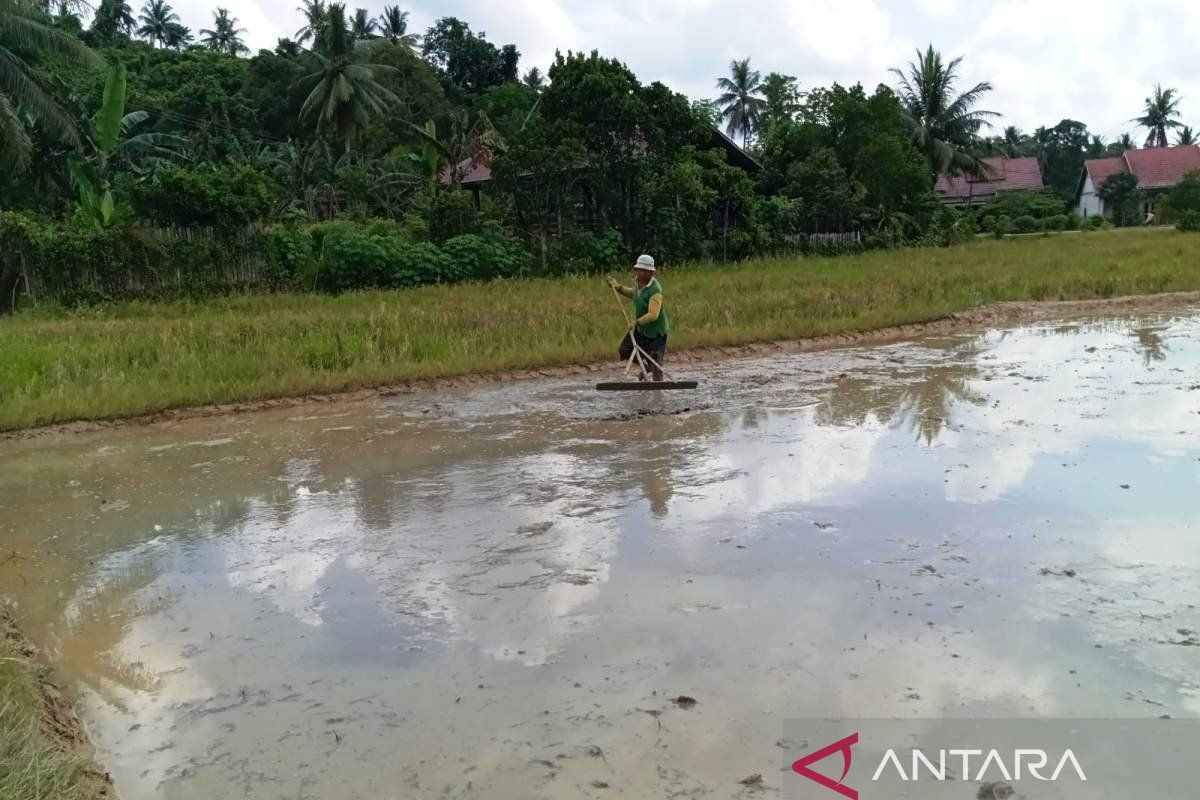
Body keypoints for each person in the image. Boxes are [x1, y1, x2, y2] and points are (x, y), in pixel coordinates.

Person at [607, 254, 669, 381]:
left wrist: (636, 322)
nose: (639, 273)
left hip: (656, 334)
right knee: (624, 350)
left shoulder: (655, 290)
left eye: (643, 271)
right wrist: (619, 288)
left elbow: (653, 315)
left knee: (656, 365)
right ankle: (647, 368)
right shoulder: (638, 283)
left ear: (650, 273)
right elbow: (635, 294)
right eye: (638, 270)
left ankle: (657, 390)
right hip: (641, 330)